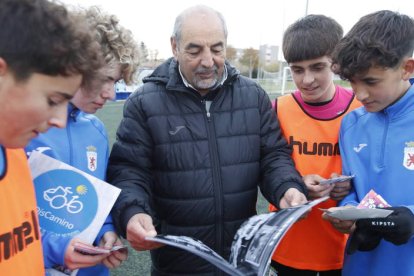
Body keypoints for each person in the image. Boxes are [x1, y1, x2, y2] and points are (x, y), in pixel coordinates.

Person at [106, 5, 308, 275]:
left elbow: (273, 156)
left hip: (242, 263)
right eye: (194, 50)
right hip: (176, 266)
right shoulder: (144, 102)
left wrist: (287, 187)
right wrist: (132, 211)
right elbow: (129, 170)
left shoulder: (253, 96)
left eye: (216, 48)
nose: (207, 61)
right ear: (174, 46)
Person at [25, 6, 140, 275]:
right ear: (78, 66)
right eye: (106, 79)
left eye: (117, 81)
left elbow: (95, 200)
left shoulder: (96, 131)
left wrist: (107, 231)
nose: (111, 93)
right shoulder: (22, 126)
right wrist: (55, 249)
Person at [0, 0, 104, 275]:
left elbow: (18, 243)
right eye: (53, 99)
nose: (59, 119)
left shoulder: (15, 153)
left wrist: (59, 250)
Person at [267, 15, 361, 276]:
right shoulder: (277, 109)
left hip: (342, 247)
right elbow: (265, 167)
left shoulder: (361, 109)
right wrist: (294, 185)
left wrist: (349, 186)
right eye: (297, 70)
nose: (307, 79)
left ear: (336, 63)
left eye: (317, 67)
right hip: (287, 244)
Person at [322, 10, 414, 275]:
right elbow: (355, 188)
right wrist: (347, 209)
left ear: (407, 68)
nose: (360, 94)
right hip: (361, 265)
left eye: (371, 81)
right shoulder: (351, 124)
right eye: (352, 81)